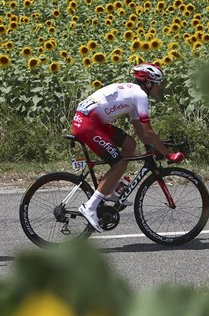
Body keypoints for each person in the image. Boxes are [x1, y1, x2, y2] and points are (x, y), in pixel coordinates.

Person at [72, 63, 185, 232]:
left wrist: (151, 148)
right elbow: (149, 131)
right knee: (118, 163)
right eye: (158, 83)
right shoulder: (141, 96)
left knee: (130, 144)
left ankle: (111, 189)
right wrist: (167, 154)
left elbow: (140, 131)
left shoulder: (134, 94)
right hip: (89, 124)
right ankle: (90, 206)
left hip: (91, 120)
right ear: (148, 83)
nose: (160, 87)